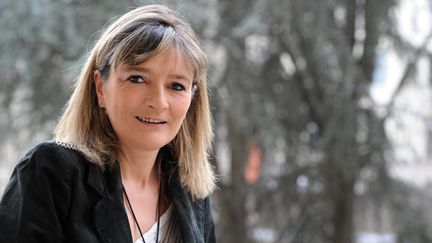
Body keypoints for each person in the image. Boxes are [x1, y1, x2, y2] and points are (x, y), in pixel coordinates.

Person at [0, 4, 217, 243]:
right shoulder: (51, 172)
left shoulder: (192, 194)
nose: (158, 102)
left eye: (176, 86)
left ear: (192, 98)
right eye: (137, 79)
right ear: (100, 87)